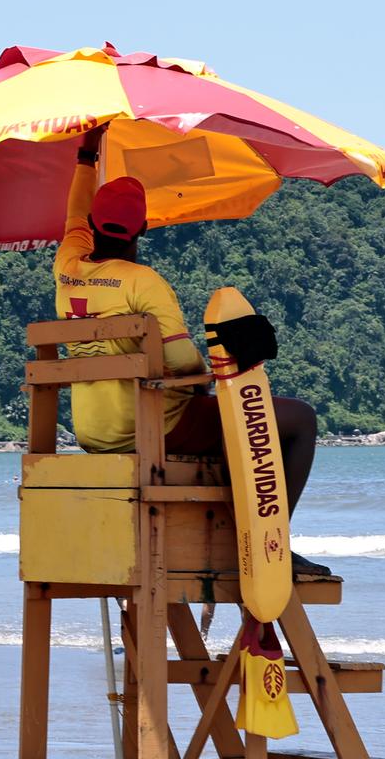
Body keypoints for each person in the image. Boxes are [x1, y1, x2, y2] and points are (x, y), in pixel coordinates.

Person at [54, 125, 326, 575]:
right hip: (152, 428)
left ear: (93, 228)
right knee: (299, 420)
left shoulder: (68, 266)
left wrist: (86, 157)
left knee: (229, 423)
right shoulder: (145, 282)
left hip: (91, 431)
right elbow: (182, 361)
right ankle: (271, 544)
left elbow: (73, 215)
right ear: (143, 226)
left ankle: (236, 522)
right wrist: (207, 376)